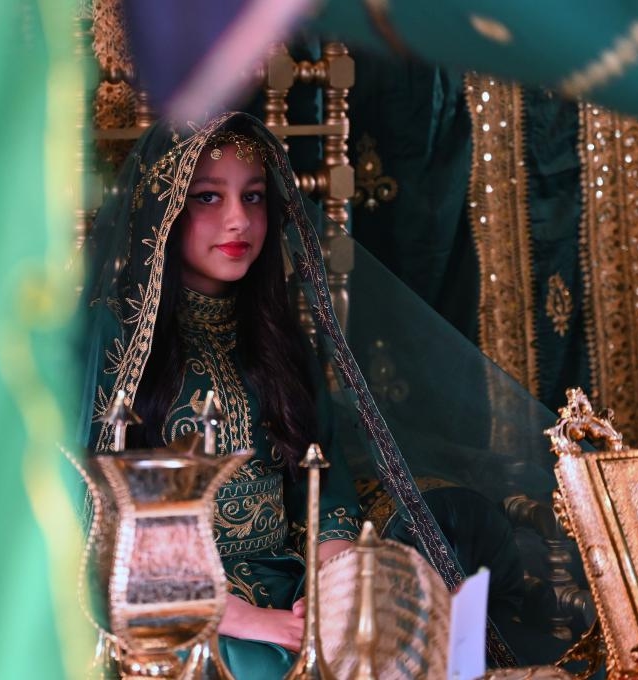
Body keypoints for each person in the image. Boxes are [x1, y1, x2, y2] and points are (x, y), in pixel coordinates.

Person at [80, 112, 568, 676]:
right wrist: (232, 615)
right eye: (208, 198)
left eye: (255, 197)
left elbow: (324, 482)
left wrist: (335, 584)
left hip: (285, 582)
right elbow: (91, 519)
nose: (239, 220)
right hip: (174, 608)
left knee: (389, 641)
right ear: (161, 208)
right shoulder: (110, 342)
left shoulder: (276, 342)